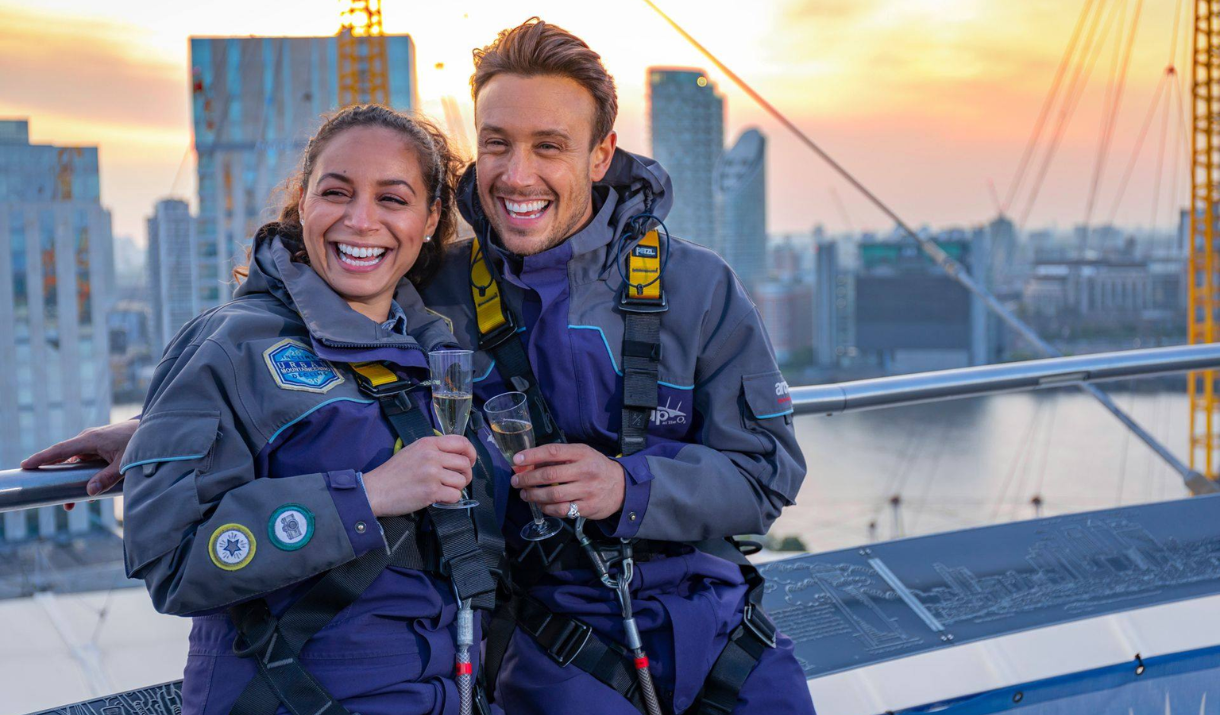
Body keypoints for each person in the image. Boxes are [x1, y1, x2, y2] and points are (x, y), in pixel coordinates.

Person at [25, 18, 816, 715]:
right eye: (497, 143)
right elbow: (315, 352)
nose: (515, 175)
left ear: (602, 152)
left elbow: (769, 468)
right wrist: (165, 432)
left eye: (550, 146)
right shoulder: (434, 290)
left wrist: (627, 487)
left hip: (714, 626)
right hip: (554, 647)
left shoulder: (695, 287)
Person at [108, 104, 501, 715]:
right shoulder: (232, 344)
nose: (360, 219)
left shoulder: (437, 355)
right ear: (303, 205)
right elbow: (172, 558)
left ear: (429, 222)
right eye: (336, 192)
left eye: (392, 200)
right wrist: (365, 497)